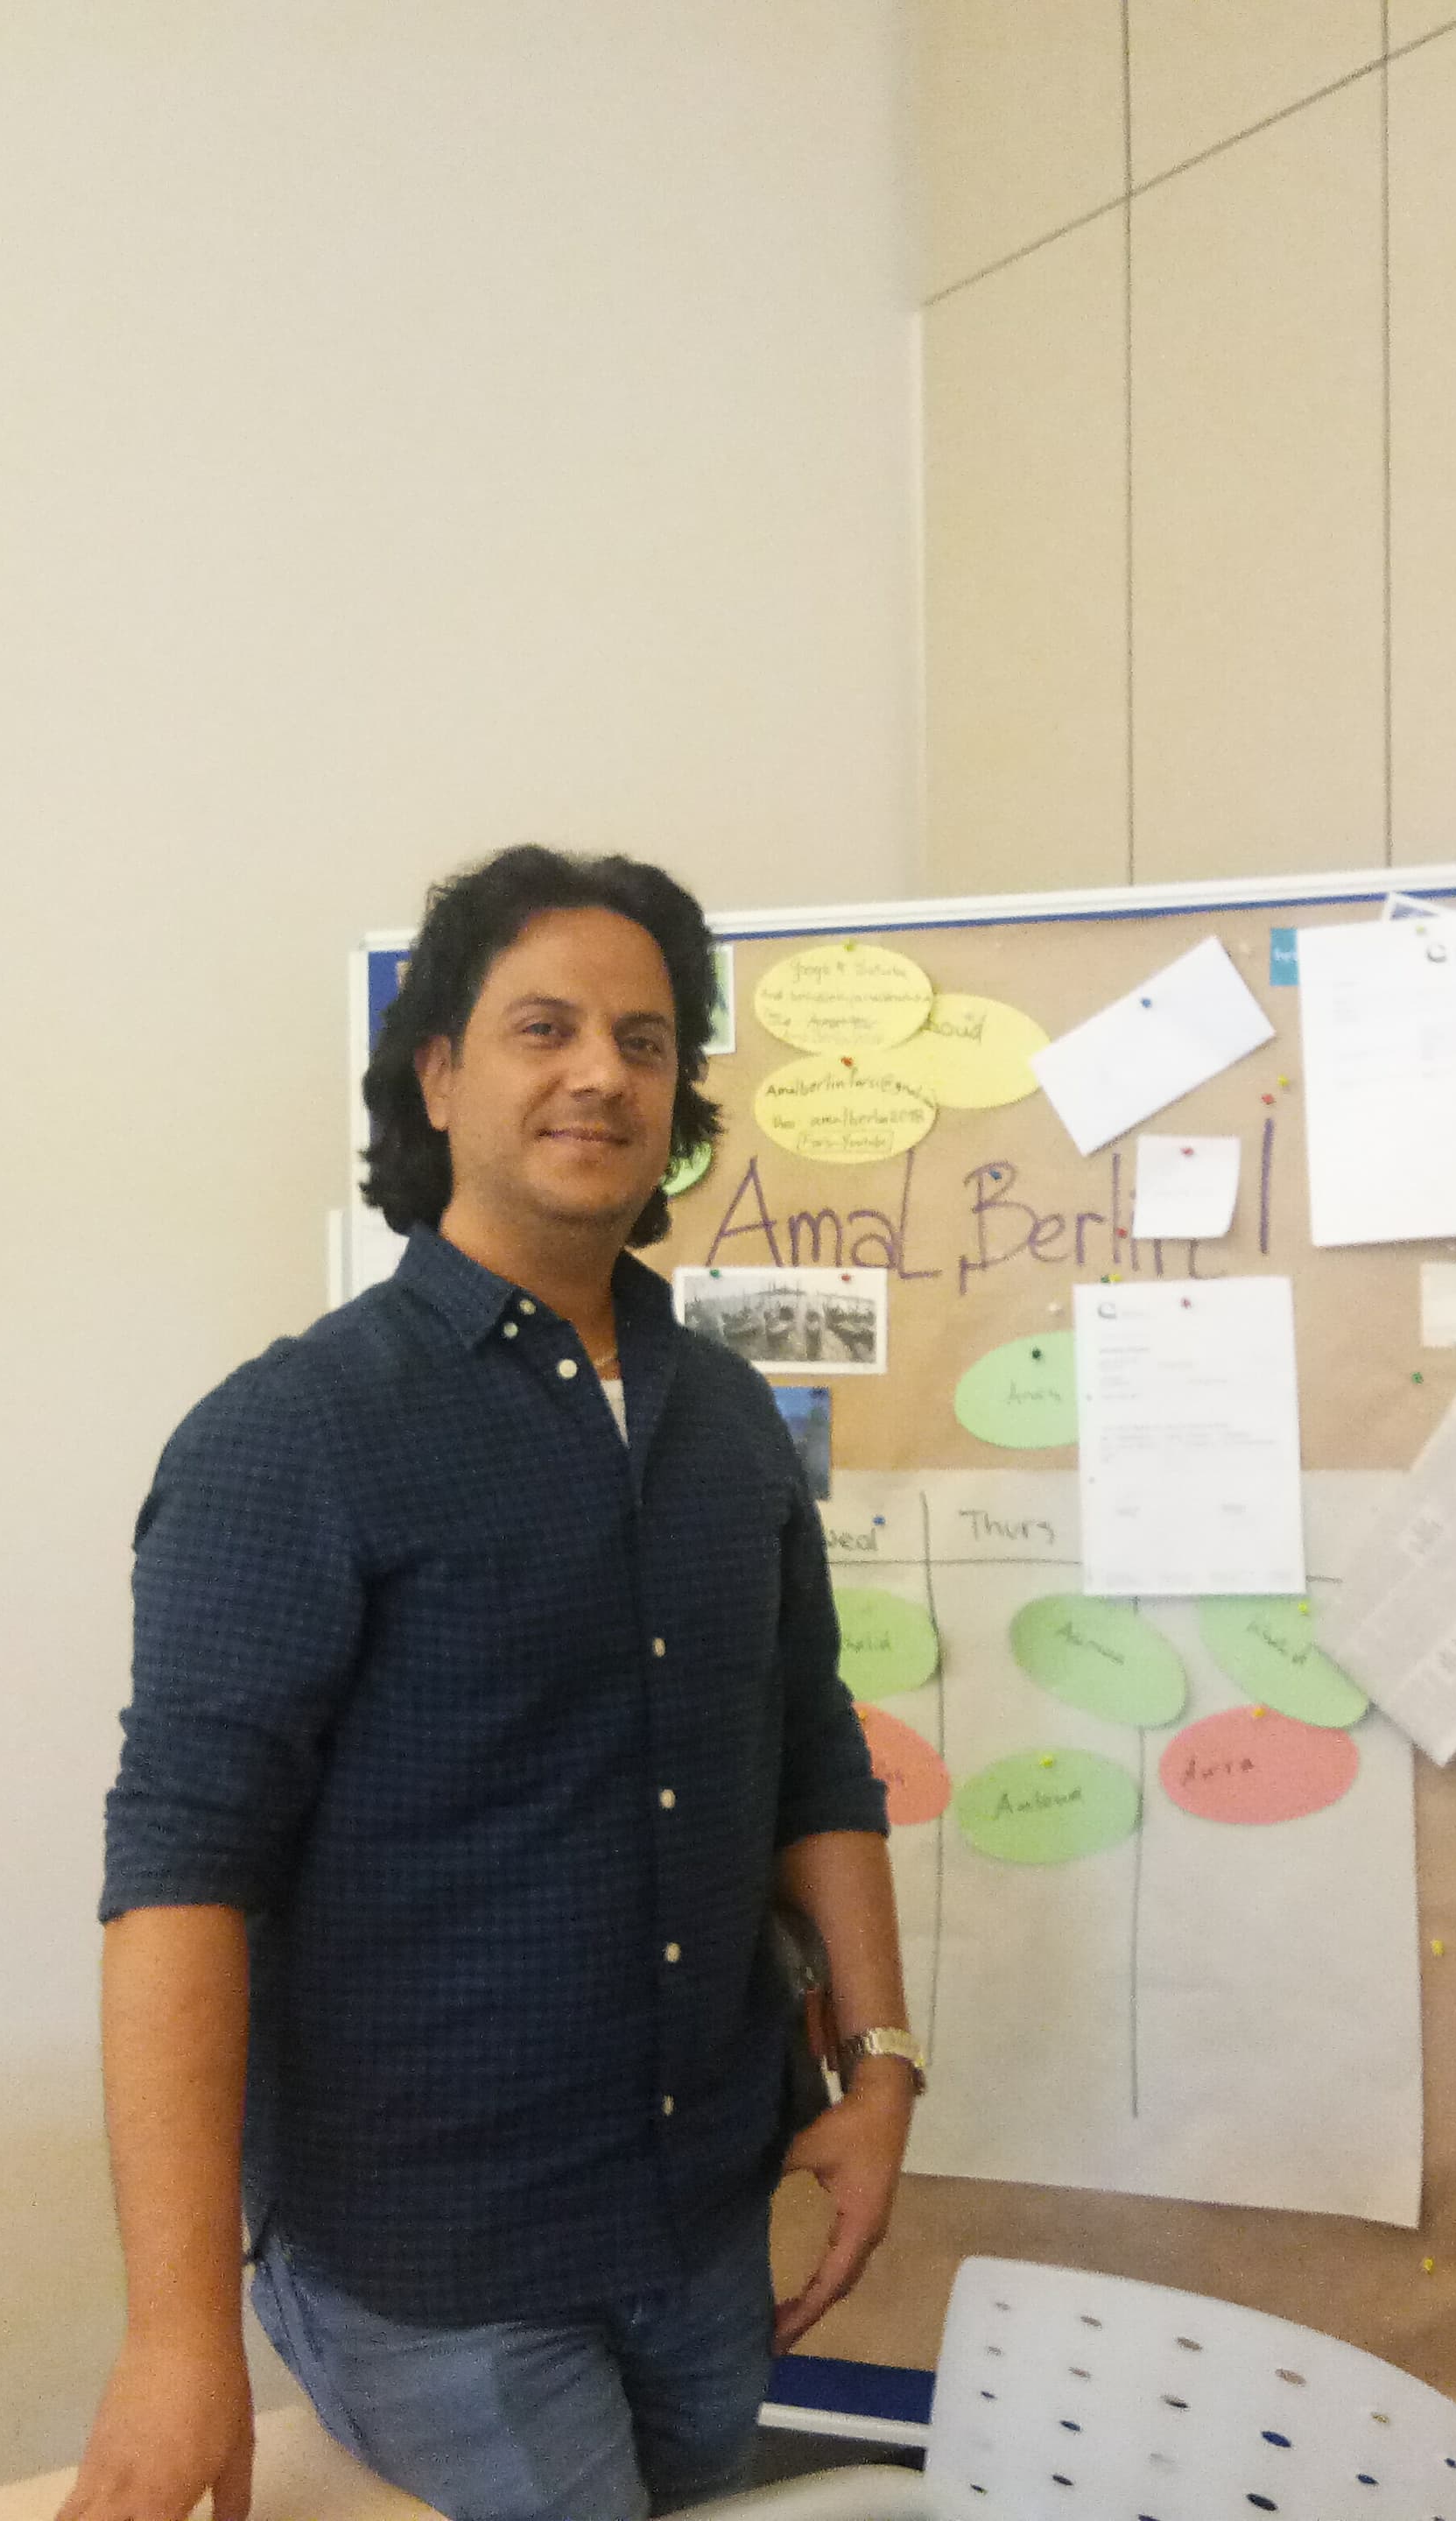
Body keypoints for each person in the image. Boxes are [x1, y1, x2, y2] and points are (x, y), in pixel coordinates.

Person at [62, 847, 918, 2521]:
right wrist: (177, 2338)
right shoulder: (294, 1438)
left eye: (648, 1039)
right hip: (440, 2270)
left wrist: (879, 2060)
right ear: (439, 1074)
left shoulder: (729, 1418)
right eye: (545, 1027)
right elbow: (182, 1883)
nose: (603, 1069)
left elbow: (812, 1753)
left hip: (701, 2227)